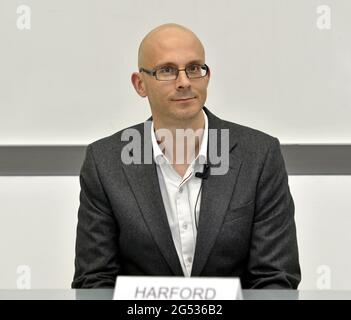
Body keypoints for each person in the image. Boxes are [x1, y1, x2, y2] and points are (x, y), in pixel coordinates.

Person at [72, 23, 301, 289]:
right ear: (140, 84)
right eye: (166, 71)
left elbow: (275, 278)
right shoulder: (105, 162)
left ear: (207, 76)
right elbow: (94, 281)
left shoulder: (260, 155)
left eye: (194, 68)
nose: (184, 82)